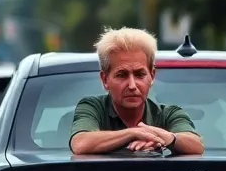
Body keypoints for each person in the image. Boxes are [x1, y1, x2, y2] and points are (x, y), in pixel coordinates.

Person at [69, 26, 205, 156]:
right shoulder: (92, 107)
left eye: (140, 74)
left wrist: (167, 138)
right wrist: (134, 133)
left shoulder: (169, 114)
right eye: (121, 75)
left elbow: (196, 145)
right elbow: (80, 143)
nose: (132, 85)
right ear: (105, 80)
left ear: (152, 76)